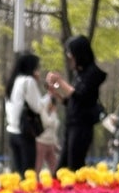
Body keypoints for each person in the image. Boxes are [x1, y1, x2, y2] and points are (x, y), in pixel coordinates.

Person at [46, 34, 107, 171]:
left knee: (75, 165)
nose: (69, 56)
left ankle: (79, 185)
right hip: (71, 123)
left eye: (71, 53)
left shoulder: (93, 73)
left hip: (82, 126)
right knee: (61, 168)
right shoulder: (79, 73)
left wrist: (60, 82)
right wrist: (56, 94)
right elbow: (72, 101)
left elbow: (81, 95)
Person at [5, 51, 46, 176]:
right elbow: (38, 107)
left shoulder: (13, 81)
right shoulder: (28, 81)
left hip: (12, 131)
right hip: (24, 133)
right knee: (28, 174)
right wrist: (49, 95)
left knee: (17, 174)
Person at [36, 93, 60, 174]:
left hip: (51, 143)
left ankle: (55, 180)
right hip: (41, 142)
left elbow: (54, 129)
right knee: (38, 166)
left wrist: (56, 143)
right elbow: (47, 122)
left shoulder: (53, 113)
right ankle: (34, 180)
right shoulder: (42, 111)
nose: (53, 106)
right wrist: (53, 113)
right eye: (51, 103)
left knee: (54, 166)